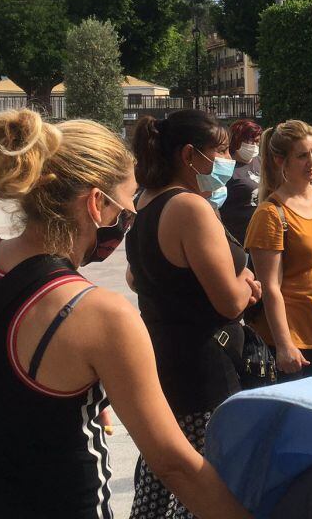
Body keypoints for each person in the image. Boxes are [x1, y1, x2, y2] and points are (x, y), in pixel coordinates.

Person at [0, 110, 249, 519]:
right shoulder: (100, 313)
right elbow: (174, 464)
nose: (127, 221)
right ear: (96, 203)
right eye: (125, 209)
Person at [127, 111, 261, 519]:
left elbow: (135, 277)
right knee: (206, 486)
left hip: (166, 360)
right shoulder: (189, 207)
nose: (228, 160)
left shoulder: (146, 201)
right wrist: (246, 281)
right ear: (189, 155)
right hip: (206, 373)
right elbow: (229, 302)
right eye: (220, 151)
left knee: (166, 479)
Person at [246, 120, 312, 380]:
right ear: (281, 161)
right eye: (302, 156)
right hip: (293, 341)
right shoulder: (271, 214)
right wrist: (284, 345)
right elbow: (270, 287)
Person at [221, 119, 263, 244]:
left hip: (260, 234)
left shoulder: (259, 161)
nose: (254, 146)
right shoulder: (225, 168)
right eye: (250, 141)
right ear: (237, 140)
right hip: (238, 237)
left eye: (257, 141)